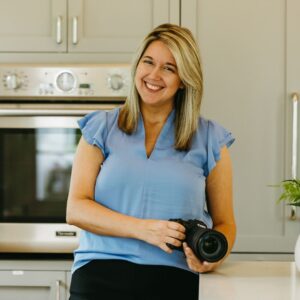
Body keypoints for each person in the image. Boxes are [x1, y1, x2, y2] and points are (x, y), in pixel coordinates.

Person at [66, 23, 236, 300]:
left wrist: (215, 257)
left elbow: (226, 223)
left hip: (174, 282)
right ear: (137, 66)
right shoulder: (101, 128)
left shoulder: (210, 139)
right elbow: (76, 209)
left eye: (169, 68)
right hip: (98, 277)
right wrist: (144, 229)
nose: (154, 75)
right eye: (148, 62)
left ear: (184, 79)